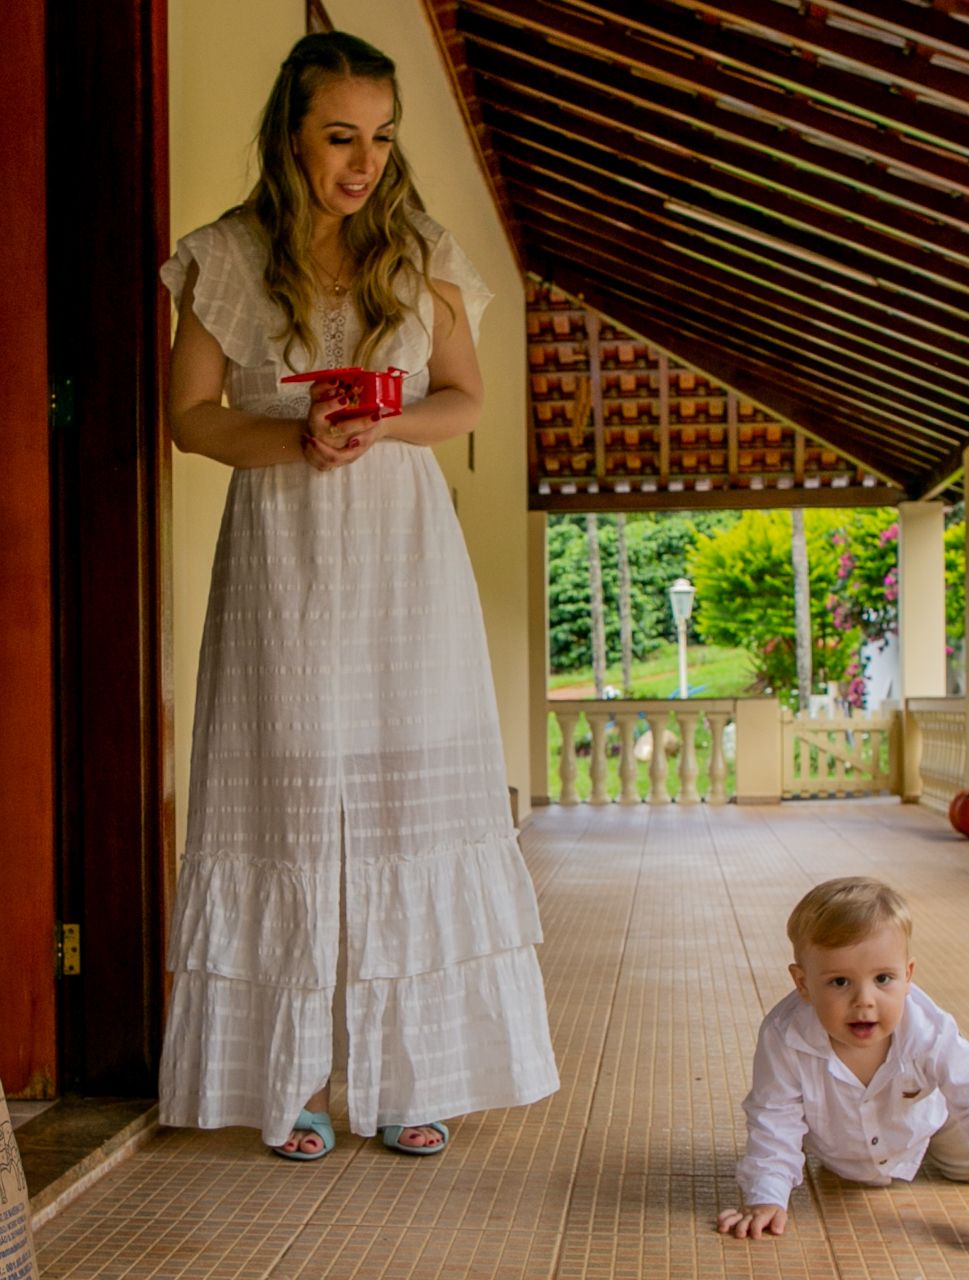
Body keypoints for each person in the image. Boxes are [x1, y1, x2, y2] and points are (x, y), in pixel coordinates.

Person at [156, 31, 557, 1162]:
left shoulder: (421, 251)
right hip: (281, 554)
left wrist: (382, 426)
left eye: (381, 137)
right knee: (284, 796)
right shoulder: (225, 255)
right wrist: (299, 438)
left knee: (402, 800)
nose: (365, 161)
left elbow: (465, 396)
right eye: (341, 137)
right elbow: (189, 418)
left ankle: (407, 1077)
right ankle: (287, 1081)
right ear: (292, 135)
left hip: (403, 553)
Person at [719, 877, 969, 1250]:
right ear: (803, 983)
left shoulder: (929, 1029)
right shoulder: (784, 1035)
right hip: (835, 1135)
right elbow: (774, 1118)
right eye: (839, 982)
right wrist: (766, 1197)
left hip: (931, 1116)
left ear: (908, 976)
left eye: (883, 979)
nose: (864, 1000)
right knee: (825, 1161)